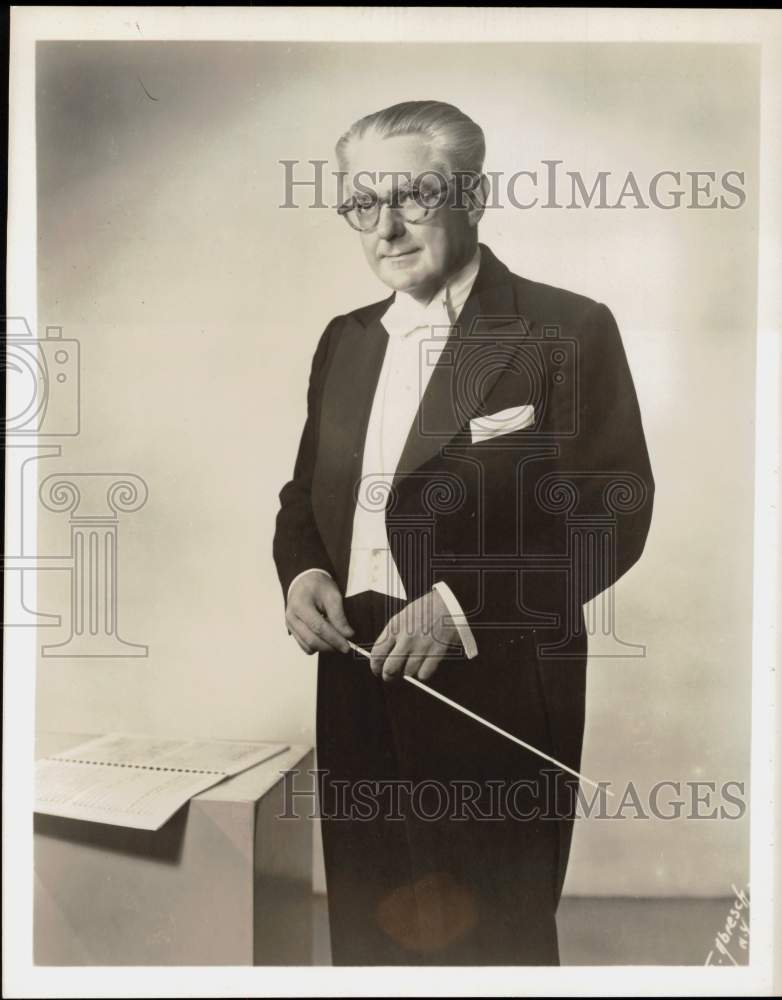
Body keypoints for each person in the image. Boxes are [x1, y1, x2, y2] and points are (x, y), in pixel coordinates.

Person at [273, 100, 654, 965]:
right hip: (355, 667)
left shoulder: (567, 328)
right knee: (368, 937)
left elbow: (615, 512)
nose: (387, 226)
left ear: (473, 197)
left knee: (494, 947)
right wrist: (301, 575)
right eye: (362, 204)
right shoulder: (344, 340)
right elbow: (305, 496)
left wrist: (458, 604)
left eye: (412, 195)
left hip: (497, 673)